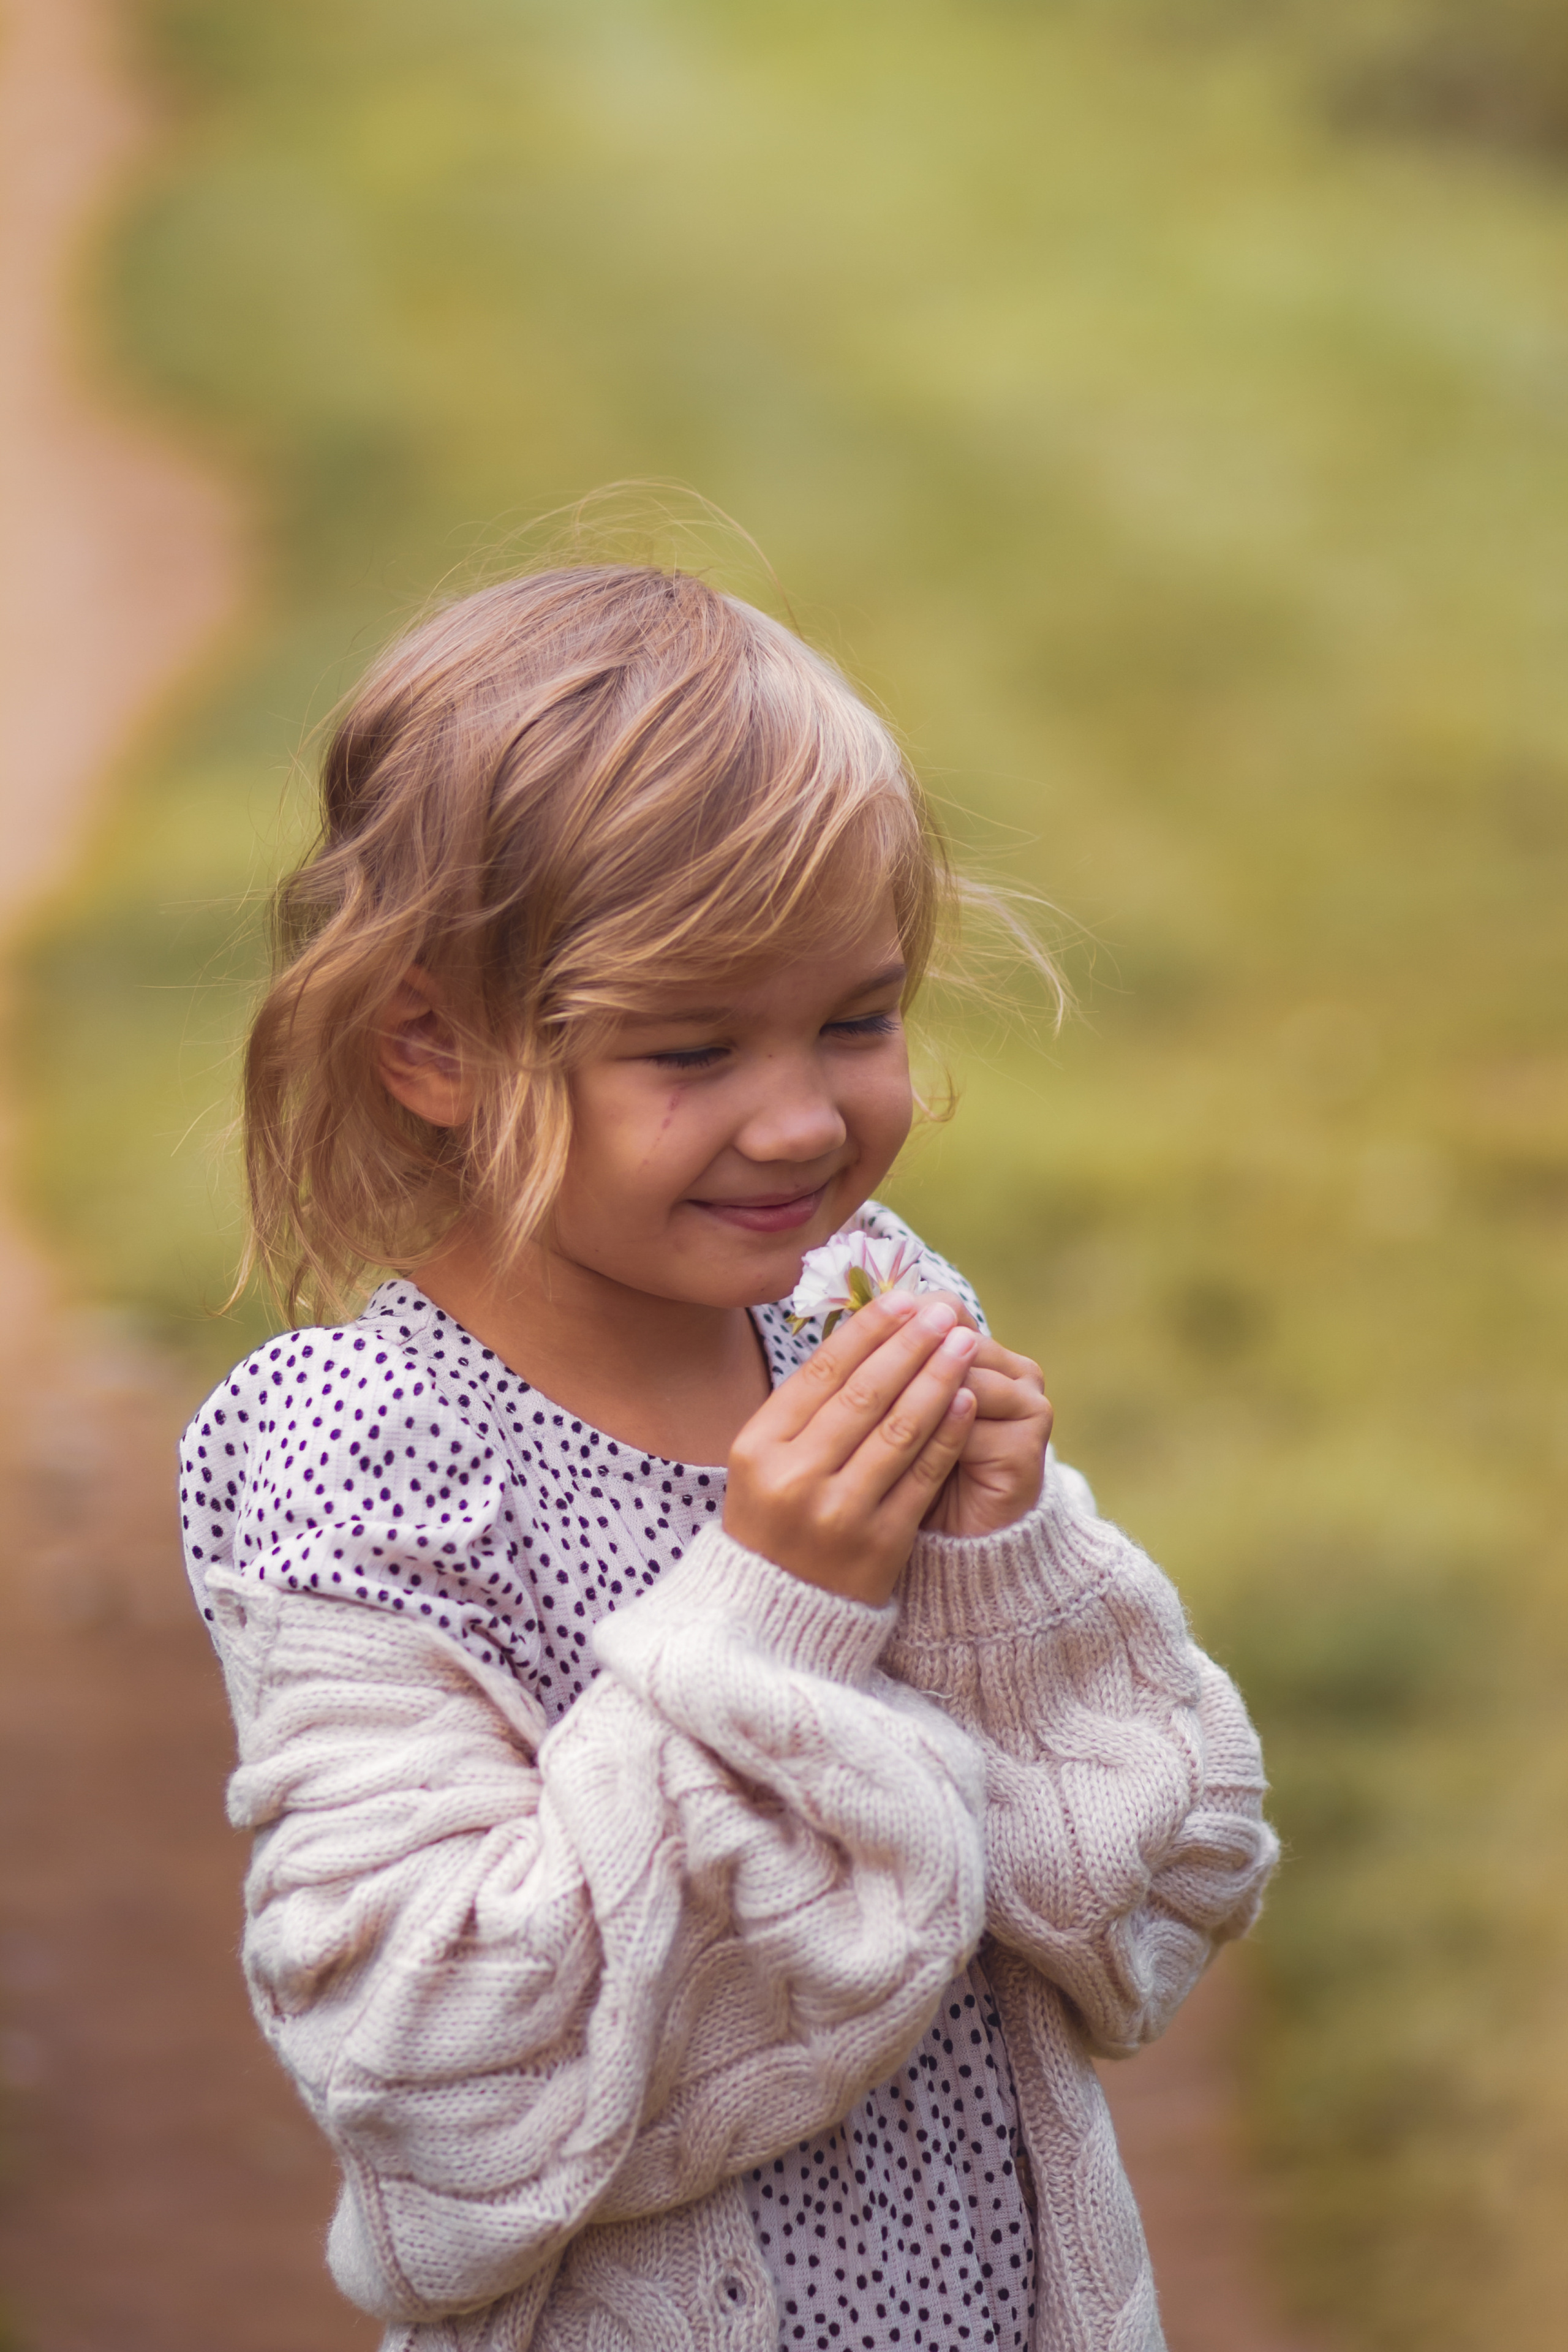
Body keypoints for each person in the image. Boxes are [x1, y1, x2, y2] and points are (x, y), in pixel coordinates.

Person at [179, 564, 1278, 2352]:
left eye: (858, 1017)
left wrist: (1009, 1582)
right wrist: (773, 1615)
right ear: (437, 1046)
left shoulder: (865, 1304)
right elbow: (444, 2084)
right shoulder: (361, 1452)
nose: (803, 1118)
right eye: (691, 1048)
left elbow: (1152, 1908)